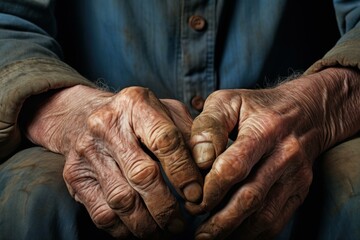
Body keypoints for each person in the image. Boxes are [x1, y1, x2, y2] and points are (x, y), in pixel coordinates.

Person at [0, 0, 359, 239]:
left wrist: (315, 107)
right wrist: (73, 113)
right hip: (89, 109)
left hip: (308, 118)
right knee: (31, 199)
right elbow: (8, 21)